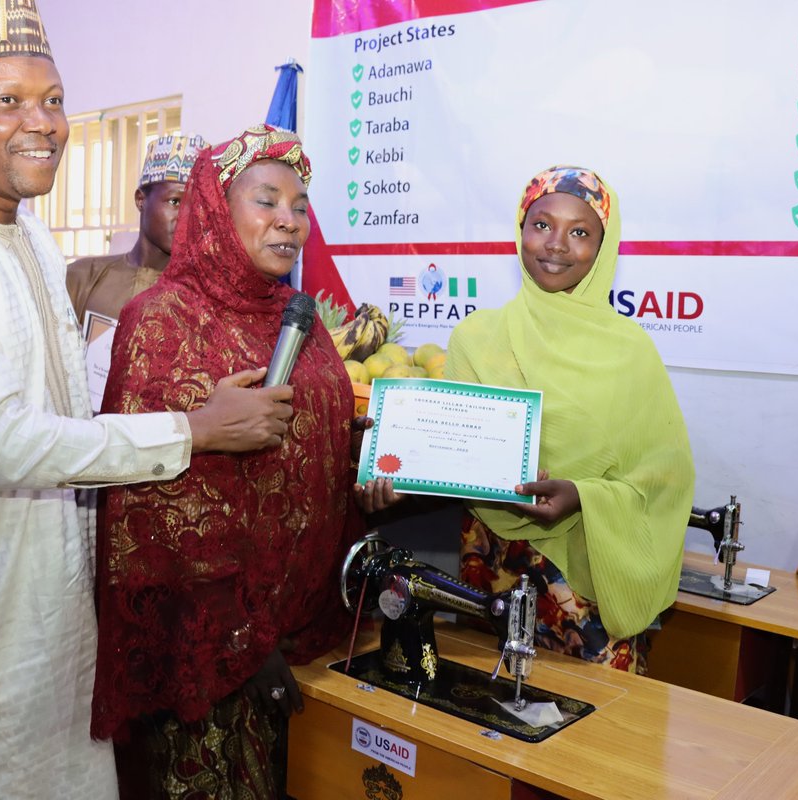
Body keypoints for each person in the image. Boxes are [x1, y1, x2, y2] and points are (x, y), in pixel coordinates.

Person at [0, 4, 294, 798]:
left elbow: (64, 416)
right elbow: (1, 442)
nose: (42, 123)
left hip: (45, 611)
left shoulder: (28, 236)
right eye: (7, 100)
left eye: (52, 100)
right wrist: (195, 430)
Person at [90, 125, 391, 800]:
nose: (289, 221)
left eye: (300, 204)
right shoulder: (162, 320)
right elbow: (152, 516)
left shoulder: (298, 317)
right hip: (210, 658)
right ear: (215, 211)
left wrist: (366, 474)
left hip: (306, 640)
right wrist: (241, 643)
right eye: (267, 201)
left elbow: (303, 459)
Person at [443, 166, 696, 672]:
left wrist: (583, 495)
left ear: (604, 247)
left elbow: (665, 479)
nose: (556, 245)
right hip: (494, 568)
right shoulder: (476, 338)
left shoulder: (631, 352)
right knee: (482, 717)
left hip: (590, 575)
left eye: (580, 232)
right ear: (520, 229)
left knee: (593, 736)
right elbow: (452, 449)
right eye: (541, 224)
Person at [66, 133, 207, 326]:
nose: (186, 217)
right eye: (175, 201)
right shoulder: (83, 277)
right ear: (141, 200)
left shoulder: (202, 297)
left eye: (196, 207)